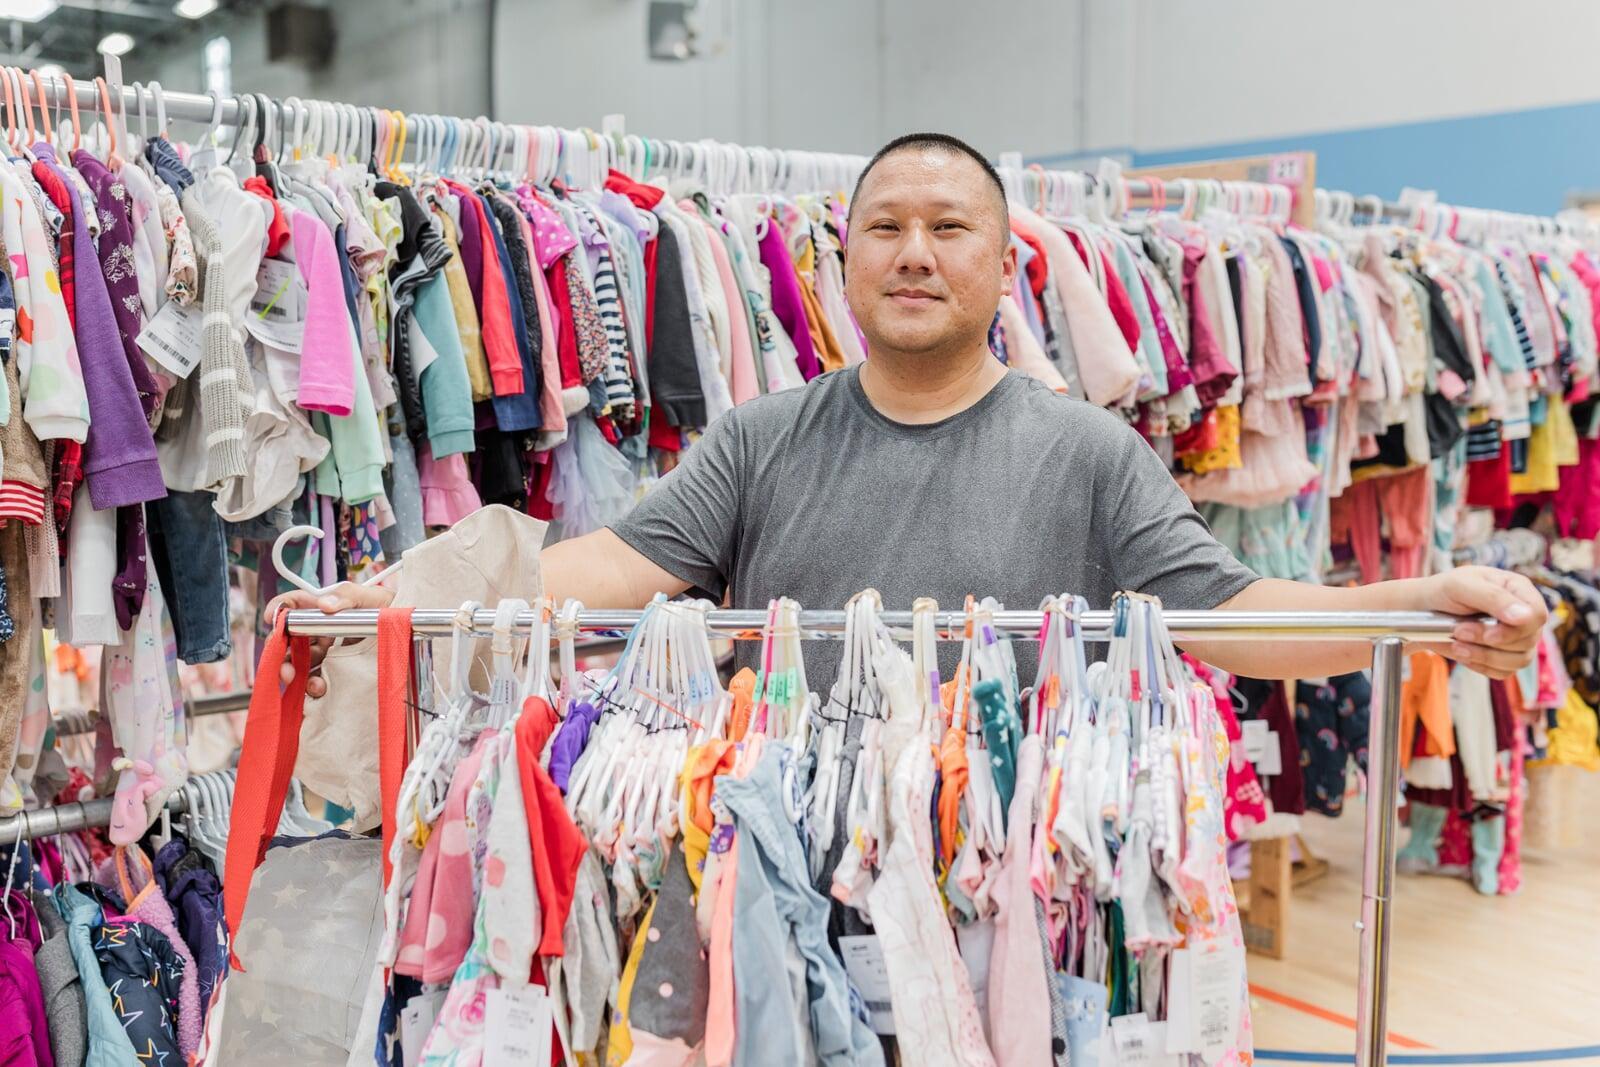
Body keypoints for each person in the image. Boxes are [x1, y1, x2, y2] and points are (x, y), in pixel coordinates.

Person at [270, 131, 1546, 692]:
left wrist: (1413, 609)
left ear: (1006, 264)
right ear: (842, 264)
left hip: (1013, 856)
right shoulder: (764, 436)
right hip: (784, 861)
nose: (915, 252)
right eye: (884, 227)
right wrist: (394, 596)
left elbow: (1231, 619)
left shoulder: (1088, 452)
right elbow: (603, 565)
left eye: (950, 228)